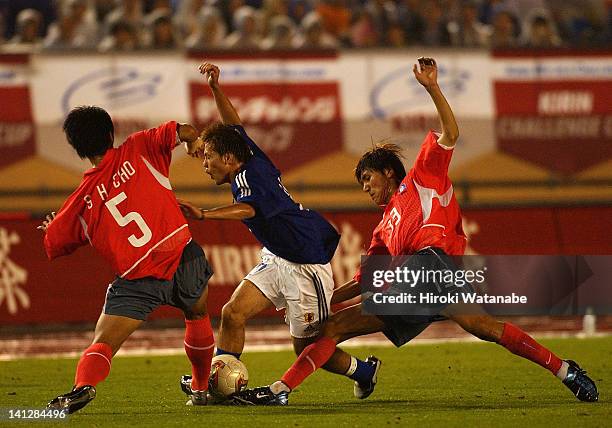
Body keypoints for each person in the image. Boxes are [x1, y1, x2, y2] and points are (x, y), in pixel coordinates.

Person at [231, 57, 599, 405]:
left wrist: (432, 88)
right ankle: (565, 370)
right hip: (428, 279)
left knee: (333, 329)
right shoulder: (383, 231)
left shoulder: (424, 175)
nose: (365, 187)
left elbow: (451, 133)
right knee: (484, 326)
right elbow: (367, 279)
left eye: (367, 178)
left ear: (389, 172)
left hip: (433, 265)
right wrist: (329, 298)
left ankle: (281, 389)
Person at [177, 62, 381, 403]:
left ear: (228, 159)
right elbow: (233, 123)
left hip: (305, 263)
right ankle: (218, 385)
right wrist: (215, 88)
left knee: (308, 347)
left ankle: (363, 371)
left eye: (209, 156)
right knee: (232, 313)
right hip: (278, 256)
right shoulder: (248, 155)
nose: (204, 163)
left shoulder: (248, 179)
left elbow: (248, 209)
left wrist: (204, 214)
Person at [39, 106, 215, 412]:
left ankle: (83, 387)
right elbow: (185, 130)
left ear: (77, 149)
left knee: (103, 342)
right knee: (197, 313)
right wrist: (194, 143)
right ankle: (200, 387)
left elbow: (53, 243)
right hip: (181, 254)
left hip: (138, 278)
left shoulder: (81, 201)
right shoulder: (140, 146)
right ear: (110, 134)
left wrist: (53, 225)